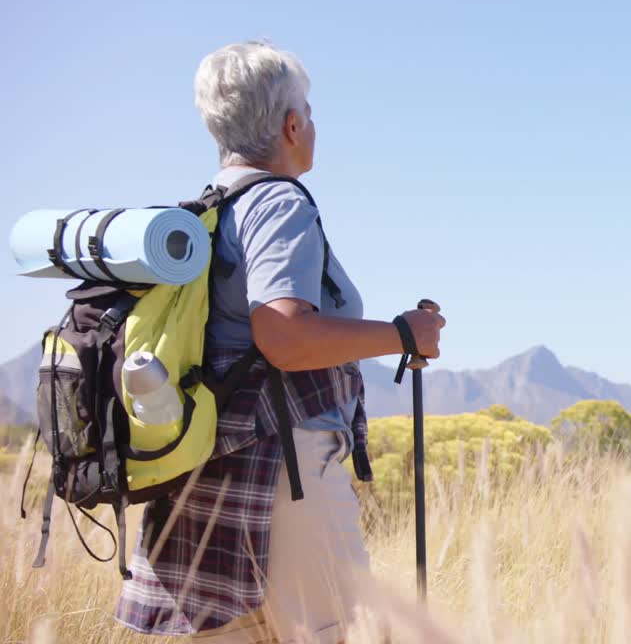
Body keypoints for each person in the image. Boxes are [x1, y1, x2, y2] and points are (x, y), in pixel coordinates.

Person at [114, 40, 446, 642]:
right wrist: (404, 335)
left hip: (205, 471)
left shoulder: (205, 217)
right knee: (335, 631)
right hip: (285, 472)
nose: (313, 124)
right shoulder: (279, 203)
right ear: (292, 125)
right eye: (310, 112)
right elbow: (284, 335)